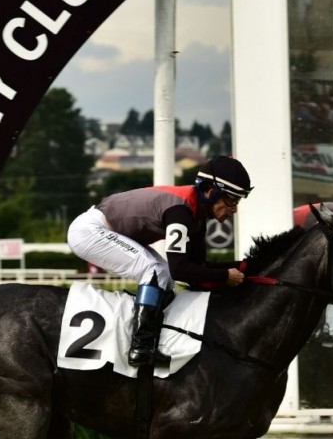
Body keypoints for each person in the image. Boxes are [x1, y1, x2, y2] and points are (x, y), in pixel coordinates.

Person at [67, 156, 253, 367]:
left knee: (162, 273)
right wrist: (225, 276)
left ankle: (151, 336)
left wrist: (243, 270)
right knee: (154, 270)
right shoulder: (181, 212)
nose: (235, 208)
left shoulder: (197, 217)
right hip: (89, 231)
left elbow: (197, 271)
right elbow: (181, 270)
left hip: (104, 229)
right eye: (231, 200)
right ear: (211, 192)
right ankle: (141, 347)